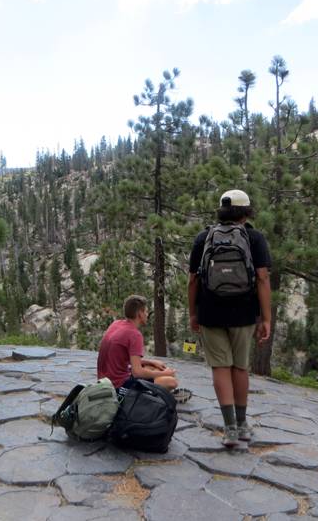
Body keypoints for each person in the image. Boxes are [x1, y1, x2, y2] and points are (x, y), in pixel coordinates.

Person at [188, 189, 271, 447]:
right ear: (246, 212)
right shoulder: (254, 238)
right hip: (244, 312)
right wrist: (266, 318)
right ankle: (243, 424)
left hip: (211, 311)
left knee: (220, 368)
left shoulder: (204, 237)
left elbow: (193, 280)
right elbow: (262, 278)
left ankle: (229, 429)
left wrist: (193, 312)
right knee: (240, 366)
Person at [97, 295, 192, 403]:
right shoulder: (134, 335)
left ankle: (155, 392)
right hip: (118, 388)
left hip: (104, 382)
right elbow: (137, 372)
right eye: (146, 311)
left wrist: (151, 361)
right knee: (171, 382)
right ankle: (153, 396)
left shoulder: (116, 324)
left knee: (154, 368)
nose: (147, 314)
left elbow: (122, 357)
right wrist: (165, 373)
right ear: (140, 314)